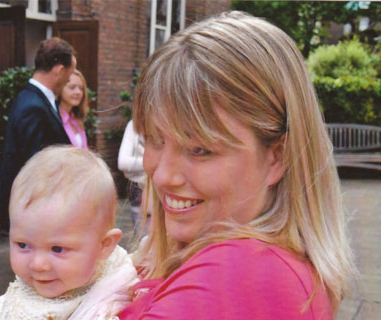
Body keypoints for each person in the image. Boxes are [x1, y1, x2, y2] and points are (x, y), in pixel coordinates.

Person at [118, 11, 357, 319]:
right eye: (153, 140)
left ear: (277, 157)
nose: (162, 175)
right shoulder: (274, 265)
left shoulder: (239, 275)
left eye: (200, 149)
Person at [0, 146, 138, 320]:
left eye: (57, 249)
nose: (38, 264)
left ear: (104, 245)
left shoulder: (115, 290)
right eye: (23, 245)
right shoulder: (14, 304)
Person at [0, 37, 77, 232]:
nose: (70, 79)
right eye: (70, 73)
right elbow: (35, 164)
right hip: (35, 209)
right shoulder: (33, 105)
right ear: (59, 71)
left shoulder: (34, 98)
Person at [118, 119, 147, 234]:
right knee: (142, 237)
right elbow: (123, 163)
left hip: (160, 194)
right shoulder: (134, 125)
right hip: (138, 190)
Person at [59, 69, 89, 149]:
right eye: (72, 87)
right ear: (60, 88)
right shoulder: (56, 119)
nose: (78, 92)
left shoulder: (76, 119)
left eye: (81, 88)